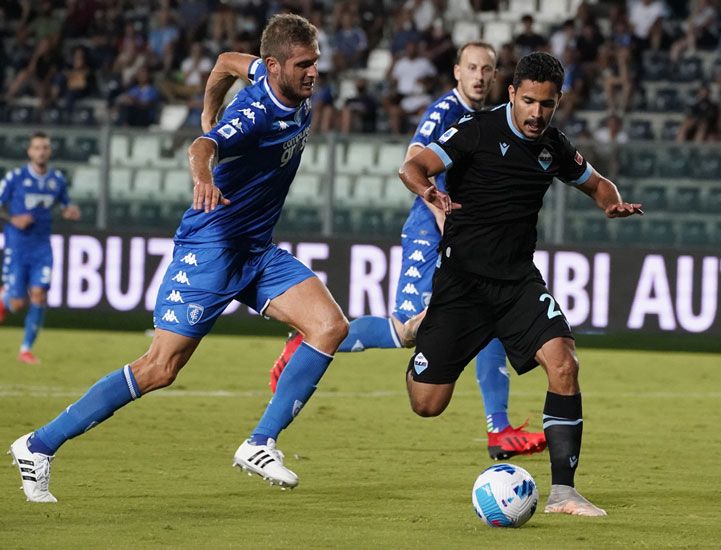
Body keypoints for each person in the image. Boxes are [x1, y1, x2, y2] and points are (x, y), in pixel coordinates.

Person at [9, 14, 349, 503]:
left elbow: (224, 63)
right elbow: (202, 146)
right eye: (303, 65)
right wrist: (204, 171)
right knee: (159, 369)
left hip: (254, 248)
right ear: (275, 66)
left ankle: (259, 443)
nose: (313, 73)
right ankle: (38, 446)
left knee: (329, 326)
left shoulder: (266, 75)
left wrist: (207, 108)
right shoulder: (254, 115)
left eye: (315, 62)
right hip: (211, 248)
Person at [273, 42, 546, 461]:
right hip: (430, 233)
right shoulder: (445, 112)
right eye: (471, 67)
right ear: (457, 72)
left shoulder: (488, 118)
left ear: (496, 78)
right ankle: (309, 340)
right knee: (410, 328)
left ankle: (500, 430)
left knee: (489, 319)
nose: (478, 75)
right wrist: (446, 219)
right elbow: (413, 160)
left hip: (464, 240)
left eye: (486, 69)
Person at [397, 52, 644, 517]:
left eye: (546, 104)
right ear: (511, 94)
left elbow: (597, 183)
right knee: (427, 404)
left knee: (565, 363)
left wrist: (611, 204)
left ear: (557, 102)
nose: (536, 113)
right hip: (462, 285)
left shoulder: (554, 146)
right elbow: (413, 165)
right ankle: (418, 333)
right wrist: (428, 189)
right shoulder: (478, 130)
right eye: (528, 101)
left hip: (516, 284)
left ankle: (563, 493)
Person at [0, 132, 81, 364]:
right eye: (37, 148)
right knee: (16, 304)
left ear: (50, 151)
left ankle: (25, 349)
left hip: (42, 247)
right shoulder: (15, 177)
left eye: (45, 147)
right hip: (17, 245)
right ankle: (4, 298)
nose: (41, 152)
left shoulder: (57, 180)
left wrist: (69, 211)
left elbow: (65, 205)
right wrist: (13, 219)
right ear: (29, 151)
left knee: (39, 294)